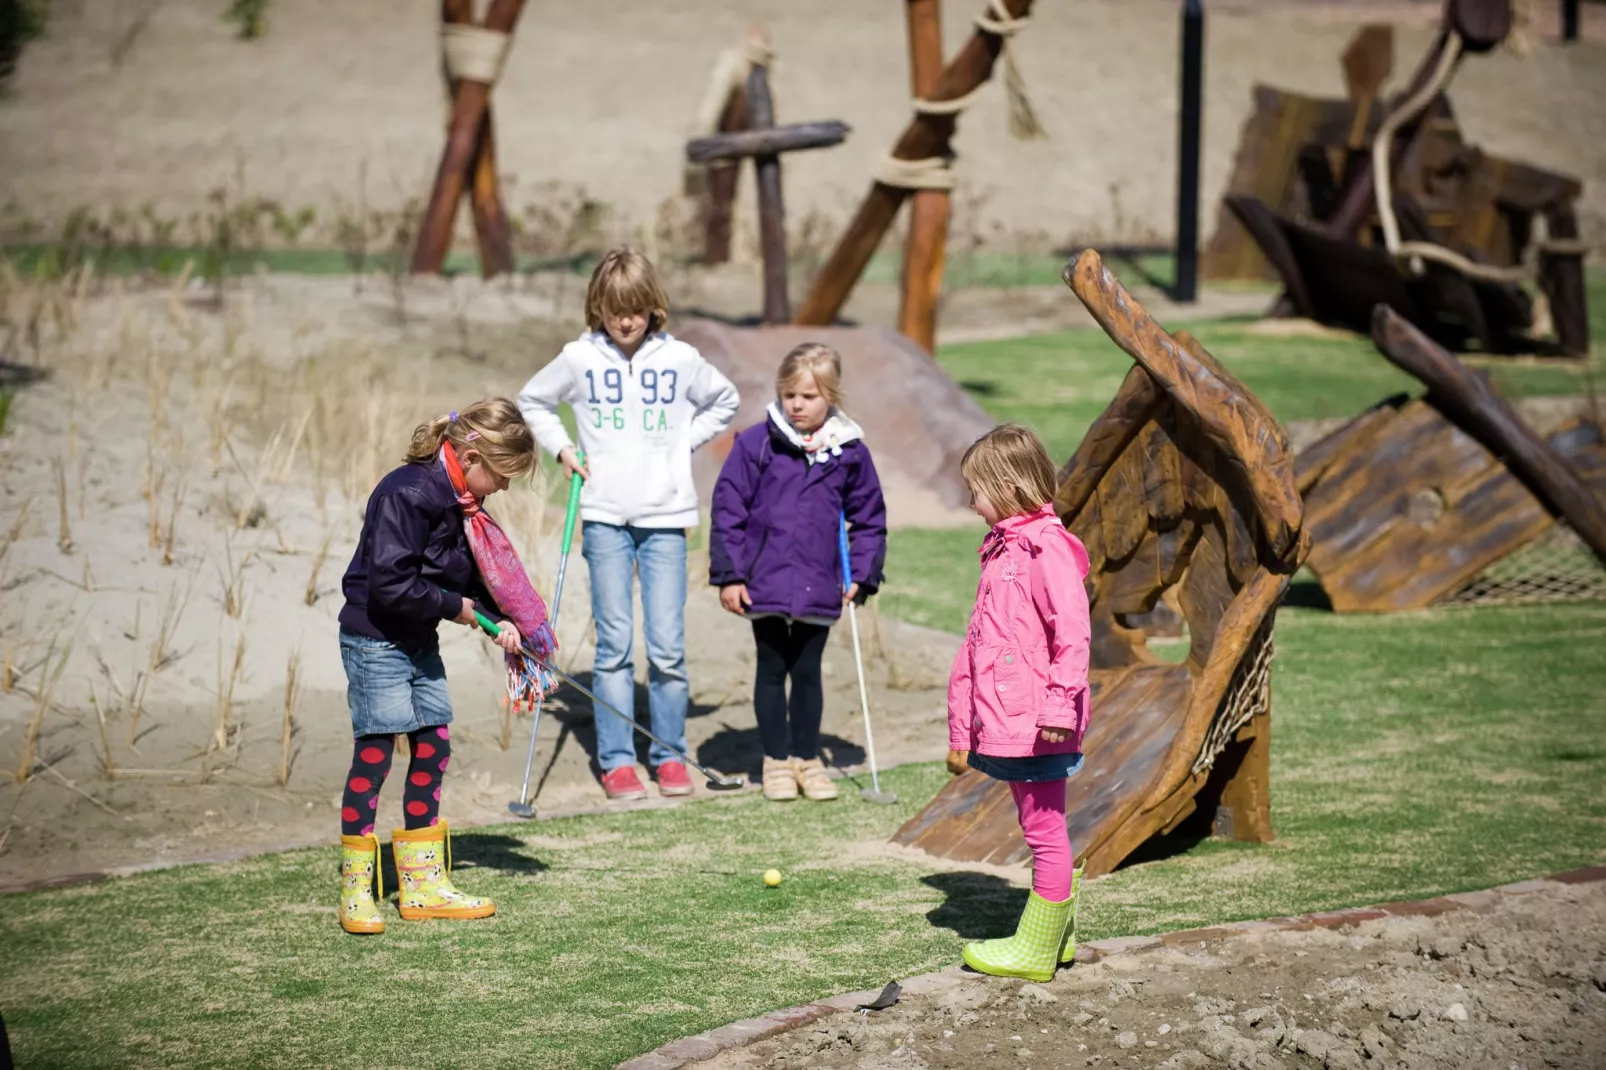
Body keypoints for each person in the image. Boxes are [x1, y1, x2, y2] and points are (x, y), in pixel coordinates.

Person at [518, 248, 739, 800]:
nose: (626, 320)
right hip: (605, 516)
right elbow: (533, 400)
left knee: (667, 647)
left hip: (667, 518)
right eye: (616, 309)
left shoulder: (681, 358)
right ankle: (617, 759)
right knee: (613, 646)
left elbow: (725, 399)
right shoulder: (579, 357)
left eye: (636, 309)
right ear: (599, 306)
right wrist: (564, 449)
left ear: (652, 307)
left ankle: (668, 756)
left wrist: (679, 445)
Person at [335, 398, 549, 934]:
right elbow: (389, 584)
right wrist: (461, 611)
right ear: (472, 455)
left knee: (433, 745)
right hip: (375, 639)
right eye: (500, 475)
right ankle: (357, 889)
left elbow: (466, 573)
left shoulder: (460, 501)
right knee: (377, 753)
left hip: (416, 639)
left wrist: (504, 619)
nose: (501, 488)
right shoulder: (408, 492)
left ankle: (422, 884)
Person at [710, 343, 888, 802]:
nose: (797, 405)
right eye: (789, 395)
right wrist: (730, 575)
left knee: (807, 671)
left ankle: (807, 759)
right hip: (763, 580)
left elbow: (868, 518)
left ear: (831, 395)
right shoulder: (755, 443)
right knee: (771, 667)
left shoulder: (849, 452)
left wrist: (863, 574)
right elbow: (729, 510)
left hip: (818, 582)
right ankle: (776, 762)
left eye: (809, 396)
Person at [946, 423, 1091, 981]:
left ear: (1007, 486)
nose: (972, 503)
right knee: (1044, 826)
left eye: (976, 490)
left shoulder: (1045, 548)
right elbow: (982, 640)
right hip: (1015, 716)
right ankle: (1059, 938)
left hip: (1039, 720)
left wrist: (1058, 708)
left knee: (1044, 830)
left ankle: (1034, 951)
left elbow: (1072, 633)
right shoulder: (1005, 549)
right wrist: (963, 725)